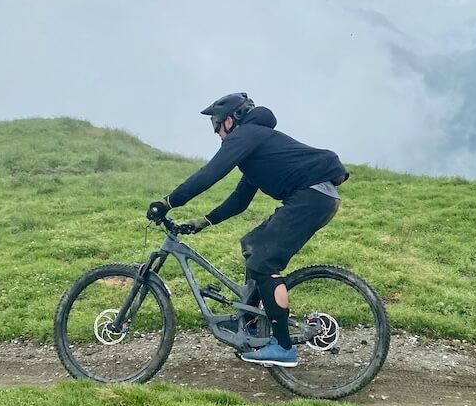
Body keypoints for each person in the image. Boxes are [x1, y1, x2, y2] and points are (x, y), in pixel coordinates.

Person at [146, 93, 348, 367]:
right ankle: (252, 324)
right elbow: (240, 200)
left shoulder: (247, 135)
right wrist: (204, 221)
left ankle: (283, 347)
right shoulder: (256, 144)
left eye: (216, 125)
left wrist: (167, 202)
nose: (217, 133)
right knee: (253, 244)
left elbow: (210, 173)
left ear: (231, 120)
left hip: (311, 196)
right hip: (317, 197)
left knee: (265, 263)